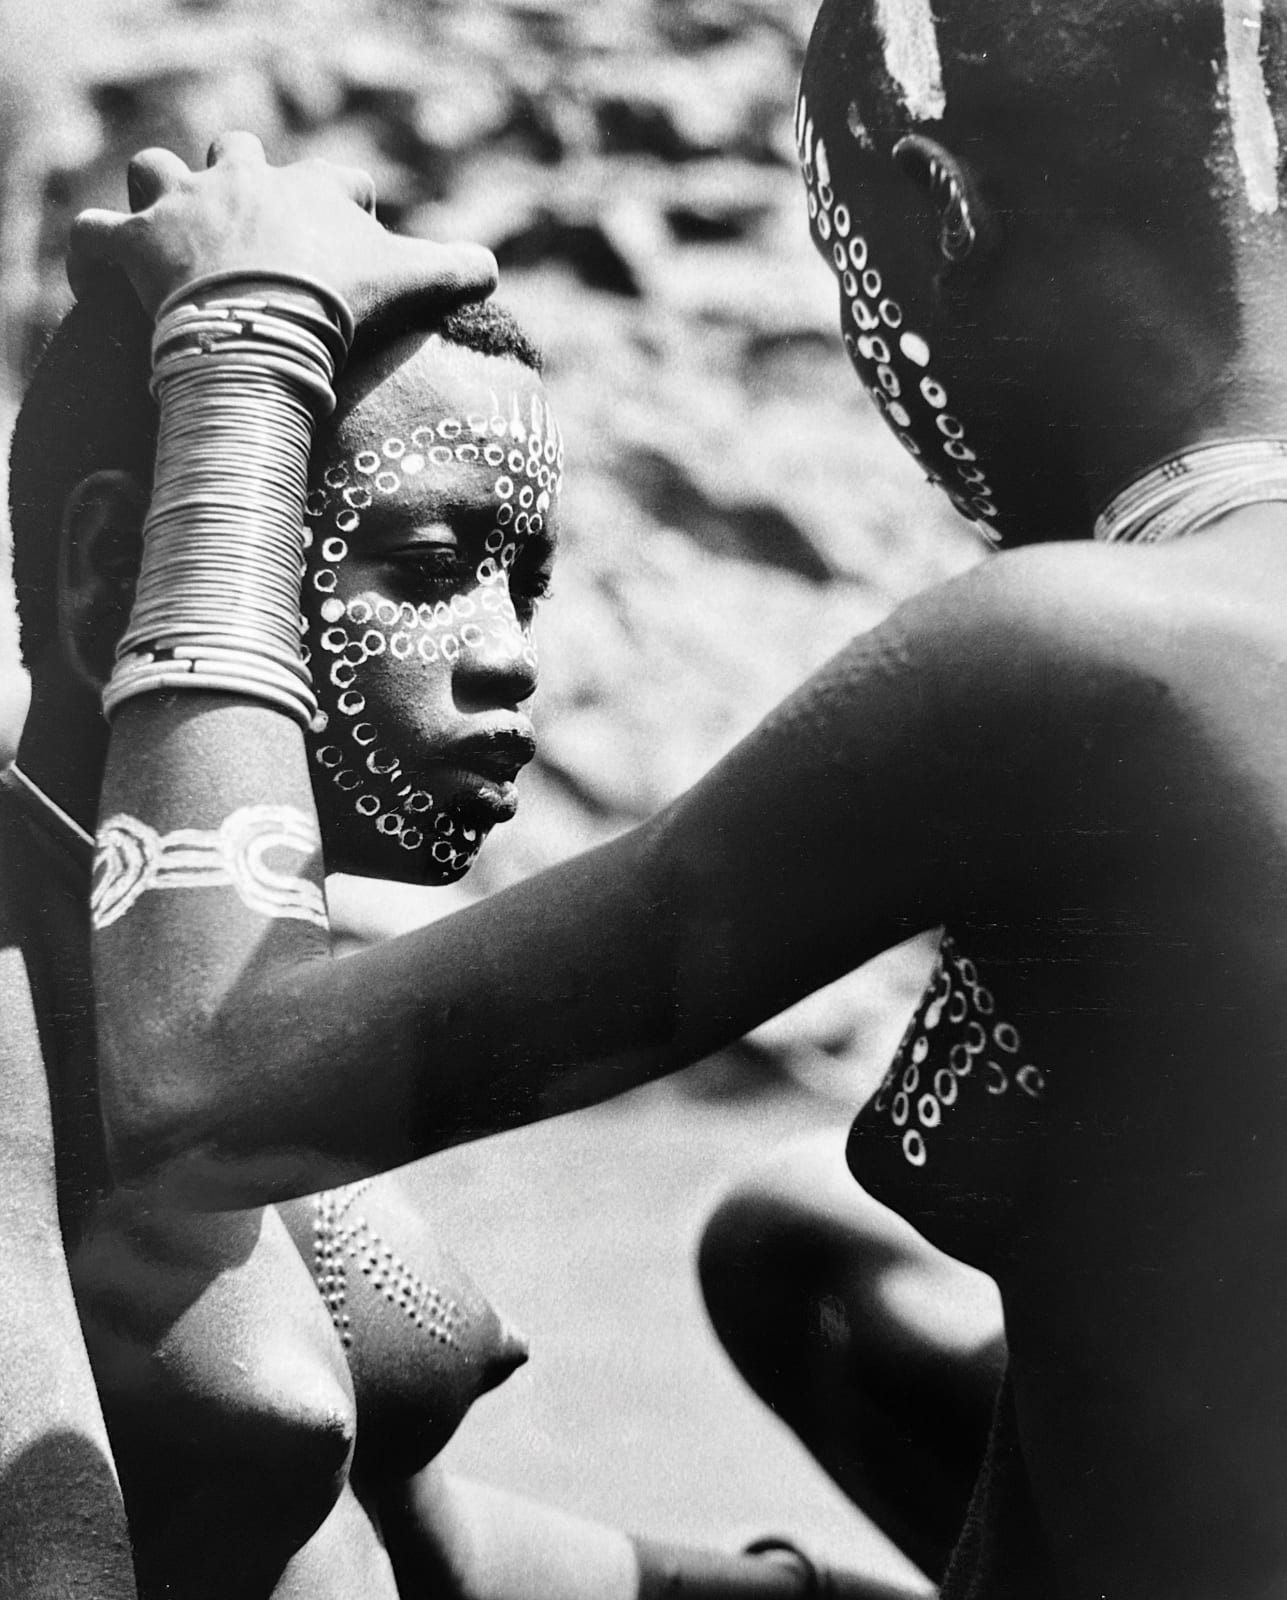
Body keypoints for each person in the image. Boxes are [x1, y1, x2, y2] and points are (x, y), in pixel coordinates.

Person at [71, 0, 1287, 1590]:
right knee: (799, 1255)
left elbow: (200, 1079)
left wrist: (246, 349)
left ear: (937, 201)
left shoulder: (1085, 653)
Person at [8, 143, 875, 1599]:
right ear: (114, 565)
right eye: (425, 566)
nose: (510, 654)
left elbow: (398, 1543)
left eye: (524, 583)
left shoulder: (178, 975)